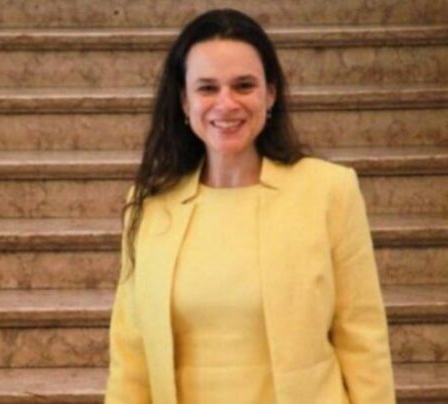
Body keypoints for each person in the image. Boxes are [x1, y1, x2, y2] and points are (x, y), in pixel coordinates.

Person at [105, 8, 395, 404]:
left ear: (270, 94)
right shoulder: (151, 205)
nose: (226, 103)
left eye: (243, 85)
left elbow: (363, 341)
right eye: (207, 88)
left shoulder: (329, 191)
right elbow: (130, 356)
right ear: (185, 102)